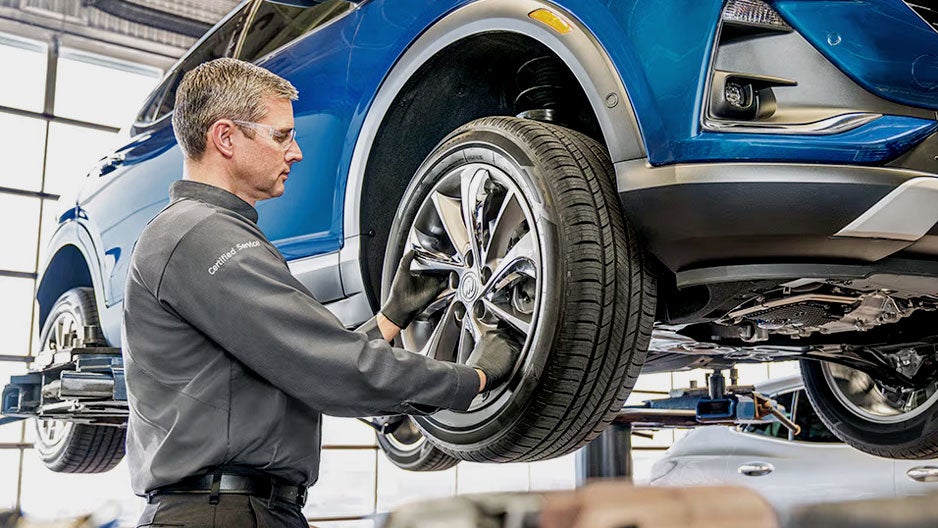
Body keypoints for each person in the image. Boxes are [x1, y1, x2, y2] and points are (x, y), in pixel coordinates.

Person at [122, 57, 520, 527]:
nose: (296, 153)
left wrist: (392, 317)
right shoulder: (201, 235)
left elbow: (302, 361)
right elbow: (333, 370)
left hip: (240, 509)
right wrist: (470, 378)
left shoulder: (208, 234)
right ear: (225, 137)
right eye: (281, 135)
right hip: (220, 513)